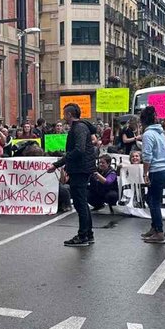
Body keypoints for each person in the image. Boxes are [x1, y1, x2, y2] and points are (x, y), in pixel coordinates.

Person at [47, 103, 98, 247]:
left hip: (80, 169)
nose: (63, 116)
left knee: (80, 203)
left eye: (64, 113)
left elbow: (79, 150)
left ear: (69, 114)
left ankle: (83, 236)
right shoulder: (78, 127)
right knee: (81, 203)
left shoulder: (79, 128)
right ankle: (88, 233)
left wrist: (58, 163)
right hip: (80, 168)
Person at [140, 106, 165, 244]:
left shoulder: (148, 135)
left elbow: (147, 156)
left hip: (157, 170)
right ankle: (154, 227)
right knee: (152, 199)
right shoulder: (160, 134)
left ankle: (159, 232)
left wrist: (145, 173)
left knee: (154, 201)